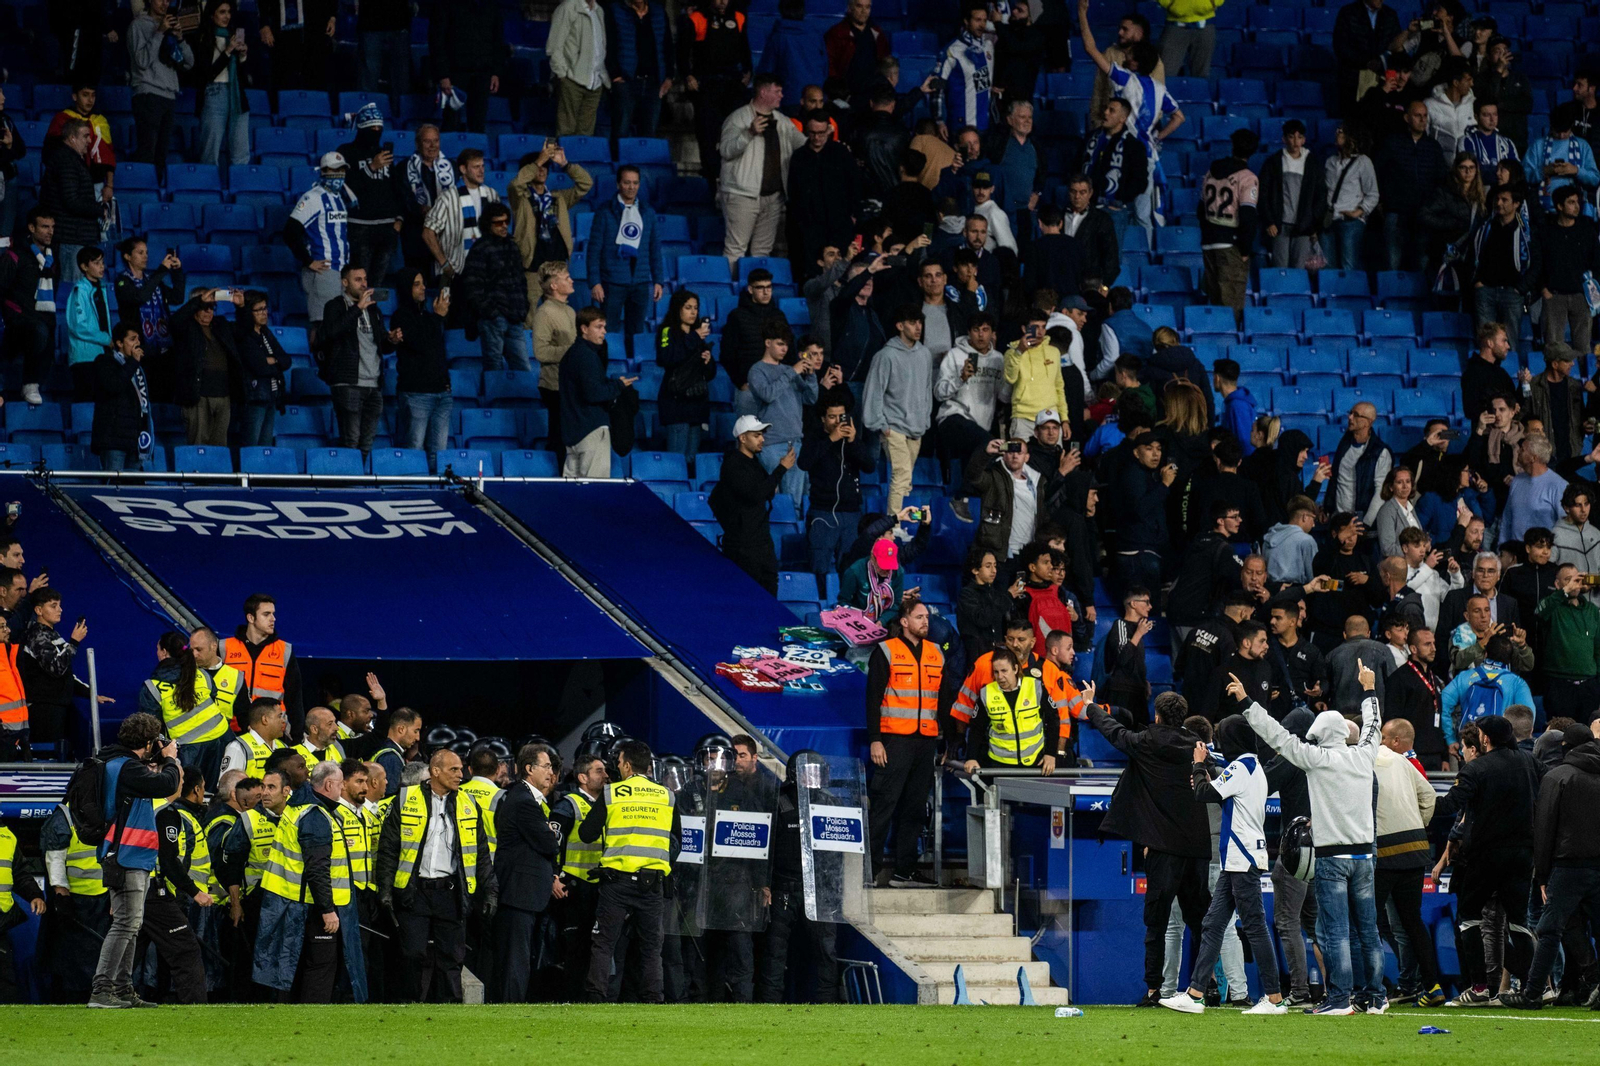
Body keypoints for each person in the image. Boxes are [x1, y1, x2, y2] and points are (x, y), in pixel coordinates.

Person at [1242, 657, 1385, 1014]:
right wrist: (1368, 688)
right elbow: (1373, 725)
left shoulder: (1315, 758)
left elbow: (1277, 735)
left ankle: (1339, 999)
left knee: (1334, 932)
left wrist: (1247, 703)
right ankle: (1376, 997)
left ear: (1319, 736)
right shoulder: (1364, 755)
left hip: (1333, 857)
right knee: (1367, 931)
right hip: (1365, 856)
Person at [1083, 690, 1209, 1005]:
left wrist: (1090, 705)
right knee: (1200, 921)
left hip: (1162, 848)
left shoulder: (1146, 743)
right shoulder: (1196, 748)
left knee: (1157, 922)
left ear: (1157, 715)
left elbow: (1113, 731)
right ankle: (1206, 988)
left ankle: (1154, 990)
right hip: (1195, 848)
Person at [1160, 712, 1284, 1015]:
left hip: (1241, 858)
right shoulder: (1255, 768)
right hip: (1238, 859)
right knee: (1213, 924)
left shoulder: (1240, 768)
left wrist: (1198, 765)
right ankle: (1195, 993)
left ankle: (1274, 998)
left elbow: (1204, 793)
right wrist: (1206, 767)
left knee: (1254, 926)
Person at [1431, 714, 1540, 1004]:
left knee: (1469, 918)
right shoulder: (1530, 762)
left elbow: (1448, 805)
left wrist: (1416, 796)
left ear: (1486, 739)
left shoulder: (1476, 768)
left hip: (1485, 855)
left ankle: (1479, 987)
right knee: (1518, 922)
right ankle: (1533, 987)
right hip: (1523, 854)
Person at [374, 748, 490, 1002]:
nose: (461, 774)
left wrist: (490, 890)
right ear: (435, 771)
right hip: (415, 891)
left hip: (451, 893)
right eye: (454, 769)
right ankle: (409, 1006)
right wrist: (384, 889)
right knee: (412, 953)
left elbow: (481, 851)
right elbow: (388, 848)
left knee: (452, 957)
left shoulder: (469, 803)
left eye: (462, 769)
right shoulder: (406, 798)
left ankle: (447, 1010)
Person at [1500, 722, 1600, 1009]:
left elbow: (1544, 830)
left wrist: (1541, 874)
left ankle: (1532, 992)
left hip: (1568, 866)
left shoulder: (1558, 777)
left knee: (1548, 930)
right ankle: (1590, 980)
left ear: (1565, 746)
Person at [88, 712, 182, 1008]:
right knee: (126, 924)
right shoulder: (126, 767)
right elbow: (166, 785)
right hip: (126, 855)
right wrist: (170, 759)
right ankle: (102, 990)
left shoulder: (119, 764)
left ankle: (122, 989)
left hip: (129, 854)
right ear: (149, 742)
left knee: (131, 923)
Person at [575, 738, 680, 1001]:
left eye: (619, 762)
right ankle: (653, 998)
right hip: (652, 883)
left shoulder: (612, 793)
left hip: (616, 883)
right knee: (651, 948)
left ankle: (596, 997)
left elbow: (587, 834)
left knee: (603, 944)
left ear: (628, 765)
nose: (617, 767)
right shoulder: (667, 795)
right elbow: (676, 840)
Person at [254, 759, 364, 1004]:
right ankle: (313, 1019)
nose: (342, 790)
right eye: (339, 784)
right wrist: (327, 910)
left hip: (289, 901)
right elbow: (317, 869)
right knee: (321, 966)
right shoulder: (315, 815)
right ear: (328, 785)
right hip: (311, 905)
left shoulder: (299, 808)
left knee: (290, 966)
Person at [865, 601, 942, 888]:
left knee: (914, 808)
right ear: (905, 621)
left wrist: (947, 740)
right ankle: (868, 872)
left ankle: (904, 872)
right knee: (884, 806)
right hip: (894, 739)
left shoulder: (936, 653)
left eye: (927, 617)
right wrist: (875, 740)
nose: (926, 621)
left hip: (925, 741)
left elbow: (941, 699)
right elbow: (873, 698)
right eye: (919, 616)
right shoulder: (886, 651)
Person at [1373, 718, 1446, 1005]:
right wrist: (1417, 825)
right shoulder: (1403, 760)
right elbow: (1429, 795)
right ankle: (1433, 987)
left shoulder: (1363, 759)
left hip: (1384, 849)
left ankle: (1369, 989)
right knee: (1413, 922)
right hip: (1416, 847)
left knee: (1367, 922)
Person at [491, 742, 564, 1004]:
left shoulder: (527, 799)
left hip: (524, 893)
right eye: (546, 766)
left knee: (519, 956)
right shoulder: (523, 801)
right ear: (529, 768)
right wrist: (548, 833)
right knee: (516, 958)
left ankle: (512, 1003)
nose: (551, 772)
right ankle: (511, 1007)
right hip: (519, 892)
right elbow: (549, 844)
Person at [140, 625, 244, 789]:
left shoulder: (152, 687)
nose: (157, 653)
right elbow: (213, 696)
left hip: (190, 749)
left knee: (191, 794)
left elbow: (152, 727)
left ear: (165, 653)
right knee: (220, 791)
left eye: (158, 649)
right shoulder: (201, 674)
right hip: (223, 740)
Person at [719, 75, 804, 265]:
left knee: (762, 252)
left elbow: (804, 146)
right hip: (742, 195)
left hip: (773, 197)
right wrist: (749, 133)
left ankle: (756, 293)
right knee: (735, 249)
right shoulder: (738, 118)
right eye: (777, 91)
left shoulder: (783, 121)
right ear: (763, 92)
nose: (782, 95)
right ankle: (732, 293)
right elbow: (726, 150)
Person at [709, 414, 794, 595]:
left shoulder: (754, 462)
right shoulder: (733, 464)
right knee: (750, 592)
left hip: (760, 539)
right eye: (757, 435)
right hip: (744, 543)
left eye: (761, 435)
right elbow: (755, 495)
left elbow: (767, 492)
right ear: (742, 437)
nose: (762, 439)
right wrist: (781, 469)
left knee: (770, 585)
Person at [586, 165, 664, 359]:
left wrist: (658, 280)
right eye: (627, 182)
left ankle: (634, 370)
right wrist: (595, 282)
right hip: (612, 283)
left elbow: (654, 249)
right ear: (618, 184)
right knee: (608, 330)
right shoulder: (605, 212)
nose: (631, 187)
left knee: (636, 331)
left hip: (639, 283)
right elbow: (593, 250)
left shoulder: (648, 212)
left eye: (635, 183)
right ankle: (607, 366)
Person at [862, 305, 934, 515]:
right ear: (900, 326)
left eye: (919, 322)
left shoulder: (925, 354)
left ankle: (903, 522)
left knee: (906, 480)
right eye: (912, 323)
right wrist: (881, 425)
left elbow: (927, 388)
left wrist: (925, 420)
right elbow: (874, 391)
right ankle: (893, 526)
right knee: (901, 476)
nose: (918, 327)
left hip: (916, 428)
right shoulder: (886, 356)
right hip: (893, 427)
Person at [320, 266, 398, 457]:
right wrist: (357, 308)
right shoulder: (335, 306)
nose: (364, 283)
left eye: (365, 279)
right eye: (358, 280)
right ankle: (348, 484)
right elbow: (330, 333)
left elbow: (380, 345)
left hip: (373, 384)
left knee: (367, 443)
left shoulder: (373, 310)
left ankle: (360, 484)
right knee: (351, 441)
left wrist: (392, 340)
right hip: (348, 383)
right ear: (344, 283)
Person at [800, 398, 875, 594]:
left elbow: (869, 466)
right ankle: (821, 606)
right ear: (823, 418)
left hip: (851, 513)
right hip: (823, 512)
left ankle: (848, 609)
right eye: (831, 417)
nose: (836, 421)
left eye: (840, 416)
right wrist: (830, 439)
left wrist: (853, 442)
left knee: (851, 566)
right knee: (820, 565)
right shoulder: (815, 437)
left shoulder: (852, 440)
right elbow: (804, 463)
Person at [18, 588, 102, 760]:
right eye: (53, 605)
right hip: (44, 708)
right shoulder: (37, 635)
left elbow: (67, 674)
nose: (60, 609)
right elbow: (56, 668)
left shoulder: (52, 634)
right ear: (39, 610)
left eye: (60, 605)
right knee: (47, 755)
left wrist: (91, 694)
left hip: (57, 706)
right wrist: (74, 642)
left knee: (60, 753)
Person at [284, 153, 353, 349]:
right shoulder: (313, 198)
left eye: (341, 170)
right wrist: (308, 261)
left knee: (338, 322)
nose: (339, 175)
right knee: (322, 323)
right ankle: (317, 365)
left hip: (341, 269)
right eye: (334, 170)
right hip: (323, 270)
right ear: (323, 172)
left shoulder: (339, 198)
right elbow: (290, 231)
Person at [509, 143, 593, 300]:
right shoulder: (520, 198)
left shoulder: (558, 197)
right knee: (530, 316)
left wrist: (565, 164)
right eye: (538, 166)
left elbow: (586, 184)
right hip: (533, 267)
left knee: (557, 315)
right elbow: (515, 184)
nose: (541, 170)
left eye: (545, 166)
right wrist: (538, 161)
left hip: (557, 267)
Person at [681, 0, 753, 187]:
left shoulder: (738, 17)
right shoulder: (697, 18)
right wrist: (688, 76)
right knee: (707, 135)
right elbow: (682, 51)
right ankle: (710, 180)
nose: (722, 2)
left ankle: (734, 179)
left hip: (732, 86)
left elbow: (745, 48)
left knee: (735, 133)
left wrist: (748, 72)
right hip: (706, 86)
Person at [559, 307, 636, 479]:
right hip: (591, 431)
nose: (604, 332)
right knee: (594, 489)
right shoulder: (587, 356)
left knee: (572, 492)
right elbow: (593, 393)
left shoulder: (570, 354)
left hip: (573, 434)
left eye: (605, 327)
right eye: (599, 327)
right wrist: (618, 385)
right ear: (584, 329)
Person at [960, 649, 1059, 775]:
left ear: (1015, 669)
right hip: (1000, 764)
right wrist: (971, 757)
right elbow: (976, 728)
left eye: (1004, 671)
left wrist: (1050, 754)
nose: (1000, 677)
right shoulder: (987, 693)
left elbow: (1053, 721)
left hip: (1035, 762)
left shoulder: (1035, 687)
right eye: (996, 672)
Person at [127, 0, 194, 184]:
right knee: (147, 151)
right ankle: (142, 192)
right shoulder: (138, 25)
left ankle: (154, 190)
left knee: (161, 154)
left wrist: (180, 38)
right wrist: (159, 33)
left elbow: (189, 63)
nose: (165, 3)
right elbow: (141, 61)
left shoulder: (170, 26)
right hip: (148, 93)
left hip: (169, 94)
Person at [458, 202, 530, 372]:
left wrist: (523, 308)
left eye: (506, 221)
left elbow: (521, 280)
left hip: (515, 316)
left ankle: (519, 399)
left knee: (523, 368)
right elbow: (472, 285)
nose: (504, 226)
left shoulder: (512, 246)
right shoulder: (480, 249)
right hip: (493, 318)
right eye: (498, 223)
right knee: (493, 366)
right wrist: (490, 312)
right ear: (487, 225)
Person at [1378, 101, 1450, 271]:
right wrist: (1384, 201)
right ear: (1407, 118)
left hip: (1424, 214)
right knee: (1393, 263)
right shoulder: (1392, 143)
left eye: (1425, 116)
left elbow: (1442, 179)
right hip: (1396, 212)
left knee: (1422, 264)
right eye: (1418, 115)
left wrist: (1434, 207)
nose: (1423, 120)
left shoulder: (1433, 147)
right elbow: (1379, 173)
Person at [390, 271, 451, 468]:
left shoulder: (428, 315)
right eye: (417, 284)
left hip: (442, 393)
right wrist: (438, 318)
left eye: (423, 283)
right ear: (407, 289)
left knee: (439, 455)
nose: (423, 288)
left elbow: (436, 350)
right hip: (416, 394)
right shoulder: (401, 316)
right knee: (414, 450)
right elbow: (421, 343)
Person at [1200, 130, 1261, 325]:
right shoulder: (1247, 177)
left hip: (1209, 242)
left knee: (1215, 300)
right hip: (1230, 245)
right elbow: (1248, 216)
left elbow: (1200, 209)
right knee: (1231, 306)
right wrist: (1245, 248)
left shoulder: (1210, 172)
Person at [0, 210, 59, 408]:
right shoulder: (15, 255)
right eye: (44, 227)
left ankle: (32, 383)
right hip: (15, 321)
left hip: (39, 319)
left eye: (52, 227)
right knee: (39, 330)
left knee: (48, 329)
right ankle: (28, 383)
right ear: (31, 228)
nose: (50, 232)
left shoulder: (51, 258)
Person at [170, 287, 244, 446]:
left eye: (212, 307)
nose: (209, 311)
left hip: (223, 395)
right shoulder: (186, 327)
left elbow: (243, 331)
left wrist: (241, 308)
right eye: (204, 307)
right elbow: (174, 322)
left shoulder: (221, 324)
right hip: (198, 396)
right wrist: (198, 301)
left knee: (219, 449)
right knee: (198, 446)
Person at [222, 593, 302, 737]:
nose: (273, 619)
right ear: (251, 618)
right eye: (266, 614)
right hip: (231, 730)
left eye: (273, 614)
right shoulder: (224, 648)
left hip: (273, 732)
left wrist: (296, 735)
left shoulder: (284, 651)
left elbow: (294, 698)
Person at [1441, 632, 1533, 749]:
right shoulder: (1517, 683)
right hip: (1500, 752)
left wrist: (1450, 740)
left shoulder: (1464, 677)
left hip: (1469, 749)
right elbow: (1527, 717)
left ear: (1485, 654)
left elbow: (1444, 702)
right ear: (1509, 660)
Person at [1468, 183, 1538, 336]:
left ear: (1516, 204)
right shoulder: (1486, 228)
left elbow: (1535, 264)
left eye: (1504, 200)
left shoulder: (1527, 233)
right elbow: (1473, 256)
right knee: (1486, 342)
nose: (1499, 203)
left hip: (1512, 293)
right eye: (1497, 199)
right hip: (1485, 291)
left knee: (1510, 342)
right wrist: (1477, 282)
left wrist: (1521, 288)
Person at [422, 149, 501, 284]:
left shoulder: (491, 194)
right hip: (455, 273)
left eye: (482, 166)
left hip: (486, 271)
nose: (481, 171)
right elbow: (428, 233)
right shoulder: (448, 198)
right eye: (476, 167)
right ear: (463, 169)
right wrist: (445, 264)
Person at [188, 0, 250, 171]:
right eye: (222, 12)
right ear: (212, 14)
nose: (227, 16)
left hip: (237, 95)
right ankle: (207, 191)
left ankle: (240, 190)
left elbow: (245, 78)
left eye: (229, 12)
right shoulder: (203, 38)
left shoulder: (233, 35)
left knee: (241, 152)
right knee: (210, 150)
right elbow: (206, 74)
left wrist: (243, 56)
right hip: (214, 93)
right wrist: (228, 52)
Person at [1535, 564, 1600, 725]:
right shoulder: (1553, 607)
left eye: (1576, 578)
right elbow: (1539, 612)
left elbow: (1598, 648)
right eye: (1568, 579)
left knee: (1588, 736)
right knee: (1559, 737)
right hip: (1559, 684)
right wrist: (1564, 592)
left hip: (1589, 686)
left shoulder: (1592, 610)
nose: (1574, 583)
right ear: (1557, 584)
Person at [429, 0, 507, 134]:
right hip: (454, 73)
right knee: (451, 122)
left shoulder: (490, 5)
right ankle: (448, 154)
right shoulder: (446, 4)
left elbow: (497, 41)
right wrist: (443, 75)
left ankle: (476, 154)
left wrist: (496, 72)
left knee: (478, 124)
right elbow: (437, 40)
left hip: (483, 72)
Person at [1259, 121, 1327, 269]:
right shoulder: (1274, 162)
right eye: (1291, 137)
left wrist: (1312, 223)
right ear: (1284, 139)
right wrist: (1269, 221)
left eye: (1299, 137)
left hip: (1303, 226)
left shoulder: (1312, 164)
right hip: (1279, 225)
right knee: (1280, 268)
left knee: (1299, 270)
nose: (1296, 142)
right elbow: (1263, 194)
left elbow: (1321, 196)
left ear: (1304, 140)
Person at [1082, 100, 1150, 248]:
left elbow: (1140, 182)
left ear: (1122, 118)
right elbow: (1076, 167)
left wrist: (1119, 200)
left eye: (1111, 110)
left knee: (1110, 263)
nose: (1105, 112)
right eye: (1106, 108)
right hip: (1086, 208)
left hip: (1114, 212)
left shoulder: (1133, 146)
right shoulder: (1090, 138)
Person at [530, 260, 577, 463]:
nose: (572, 280)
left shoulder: (570, 311)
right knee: (558, 438)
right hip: (554, 386)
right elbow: (541, 352)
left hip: (570, 385)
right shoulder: (544, 313)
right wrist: (573, 352)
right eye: (567, 278)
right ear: (554, 285)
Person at [1523, 103, 1598, 215]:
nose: (1562, 136)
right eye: (1558, 131)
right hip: (1543, 210)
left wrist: (1576, 171)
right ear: (1551, 127)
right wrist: (1543, 171)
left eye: (1565, 131)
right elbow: (1523, 176)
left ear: (1571, 126)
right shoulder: (1538, 145)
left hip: (1575, 210)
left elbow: (1595, 179)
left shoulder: (1583, 146)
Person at [548, 0, 609, 137]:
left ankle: (581, 159)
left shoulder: (599, 10)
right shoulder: (568, 7)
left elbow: (601, 47)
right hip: (572, 80)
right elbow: (554, 46)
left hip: (595, 82)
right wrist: (563, 75)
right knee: (566, 132)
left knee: (586, 135)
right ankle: (566, 159)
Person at [1324, 124, 1380, 270]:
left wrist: (1358, 212)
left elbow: (1373, 194)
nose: (1337, 134)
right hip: (1329, 220)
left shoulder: (1363, 162)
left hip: (1350, 221)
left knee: (1348, 266)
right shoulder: (1330, 162)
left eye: (1341, 132)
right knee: (1327, 267)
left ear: (1351, 137)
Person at [1499, 436, 1566, 549]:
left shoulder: (1559, 485)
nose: (1518, 451)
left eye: (1522, 449)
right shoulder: (1516, 481)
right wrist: (1502, 547)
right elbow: (1507, 519)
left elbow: (1565, 525)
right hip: (1516, 553)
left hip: (1543, 554)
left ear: (1533, 458)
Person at [939, 3, 996, 134]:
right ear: (966, 21)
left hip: (984, 125)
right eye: (977, 20)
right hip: (961, 126)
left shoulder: (988, 47)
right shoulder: (953, 50)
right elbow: (938, 86)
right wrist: (939, 120)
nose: (982, 25)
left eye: (984, 20)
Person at [221, 698, 288, 779]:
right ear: (265, 719)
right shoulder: (238, 747)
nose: (283, 721)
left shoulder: (283, 747)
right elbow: (228, 785)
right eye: (279, 716)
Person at [1264, 497, 1319, 586]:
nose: (1313, 525)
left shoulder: (1269, 536)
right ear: (1305, 517)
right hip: (1296, 593)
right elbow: (1312, 578)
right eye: (1313, 519)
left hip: (1270, 589)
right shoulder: (1306, 540)